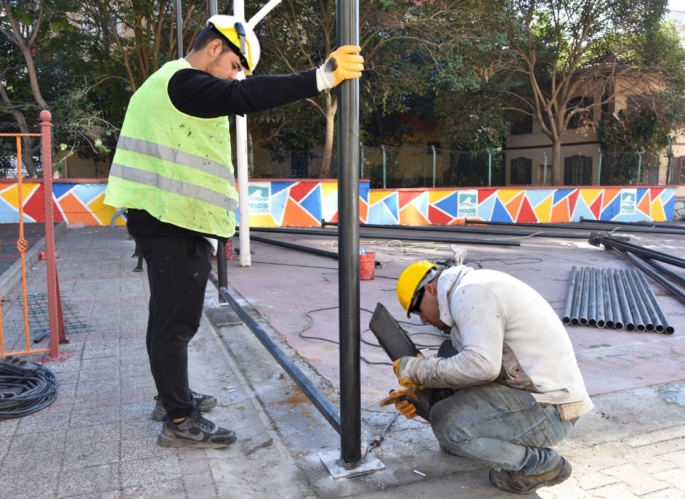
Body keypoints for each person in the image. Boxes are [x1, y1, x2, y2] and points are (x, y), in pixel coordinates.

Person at [104, 15, 363, 449]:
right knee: (174, 323)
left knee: (171, 320)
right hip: (169, 222)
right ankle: (179, 418)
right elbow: (244, 96)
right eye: (235, 64)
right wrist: (320, 77)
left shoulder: (172, 84)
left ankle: (173, 397)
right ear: (214, 49)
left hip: (169, 219)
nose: (236, 75)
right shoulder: (183, 83)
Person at [381, 247, 593, 494]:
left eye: (418, 311)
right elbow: (467, 365)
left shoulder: (471, 293)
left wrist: (417, 370)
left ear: (429, 290)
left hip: (552, 413)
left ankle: (541, 465)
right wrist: (424, 396)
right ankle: (465, 435)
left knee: (446, 423)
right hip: (533, 391)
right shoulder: (468, 288)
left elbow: (481, 366)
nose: (423, 321)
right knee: (449, 351)